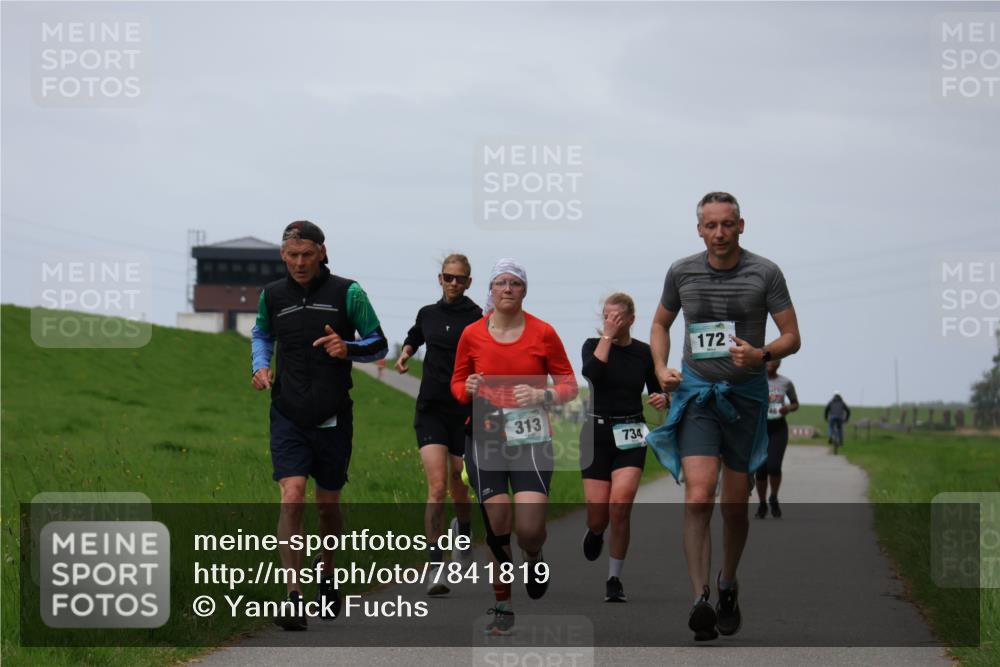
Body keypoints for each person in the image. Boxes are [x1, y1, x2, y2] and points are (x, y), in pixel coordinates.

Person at [647, 192, 801, 641]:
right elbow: (660, 323)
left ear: (741, 226)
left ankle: (727, 583)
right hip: (696, 394)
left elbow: (792, 335)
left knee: (734, 507)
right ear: (699, 229)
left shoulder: (765, 272)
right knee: (698, 495)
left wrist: (762, 353)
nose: (719, 233)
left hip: (746, 397)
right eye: (710, 225)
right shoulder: (681, 271)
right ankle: (700, 599)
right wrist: (660, 369)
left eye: (727, 224)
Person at [251, 220, 388, 630]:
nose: (299, 263)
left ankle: (327, 574)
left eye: (307, 255)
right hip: (288, 413)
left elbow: (378, 342)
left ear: (322, 252)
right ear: (283, 255)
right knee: (292, 497)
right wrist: (260, 365)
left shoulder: (348, 292)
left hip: (332, 416)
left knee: (327, 508)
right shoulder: (272, 295)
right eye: (292, 255)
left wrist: (348, 347)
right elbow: (262, 334)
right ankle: (293, 596)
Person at [451, 258, 578, 636]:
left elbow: (569, 384)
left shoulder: (544, 332)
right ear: (490, 291)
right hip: (486, 436)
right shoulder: (472, 334)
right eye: (501, 283)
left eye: (515, 283)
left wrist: (543, 393)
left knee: (530, 528)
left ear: (524, 291)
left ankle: (535, 555)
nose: (507, 289)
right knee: (499, 521)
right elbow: (457, 385)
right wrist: (467, 389)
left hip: (532, 438)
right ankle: (502, 603)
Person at [396, 253, 482, 596]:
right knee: (436, 486)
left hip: (464, 409)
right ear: (440, 279)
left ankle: (463, 528)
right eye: (448, 277)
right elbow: (416, 334)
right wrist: (405, 352)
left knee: (460, 483)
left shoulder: (478, 318)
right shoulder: (428, 313)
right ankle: (435, 566)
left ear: (469, 282)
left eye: (460, 279)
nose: (454, 283)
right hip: (431, 407)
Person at [580, 293, 668, 602]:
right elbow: (591, 374)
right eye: (607, 316)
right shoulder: (593, 346)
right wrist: (607, 335)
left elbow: (658, 389)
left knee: (621, 506)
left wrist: (662, 398)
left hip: (630, 432)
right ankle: (594, 532)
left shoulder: (643, 353)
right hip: (596, 433)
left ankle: (614, 578)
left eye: (617, 318)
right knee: (598, 515)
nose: (612, 322)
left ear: (631, 320)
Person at [755, 359, 799, 519]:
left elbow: (795, 403)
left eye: (775, 361)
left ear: (779, 363)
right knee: (760, 469)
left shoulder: (785, 382)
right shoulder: (755, 380)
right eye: (768, 361)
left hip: (778, 428)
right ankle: (761, 503)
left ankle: (773, 497)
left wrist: (787, 408)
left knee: (774, 466)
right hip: (760, 428)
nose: (771, 363)